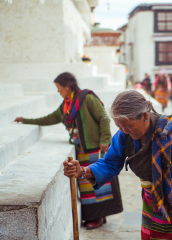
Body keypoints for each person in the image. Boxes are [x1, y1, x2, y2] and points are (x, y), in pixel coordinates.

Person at [64, 90, 172, 240]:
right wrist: (83, 171)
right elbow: (110, 163)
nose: (124, 130)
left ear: (145, 116)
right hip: (156, 201)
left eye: (128, 125)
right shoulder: (122, 136)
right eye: (119, 126)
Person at [14, 72, 123, 230]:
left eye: (59, 88)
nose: (58, 91)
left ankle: (99, 216)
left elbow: (104, 118)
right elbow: (50, 118)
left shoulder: (86, 98)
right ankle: (94, 215)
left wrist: (105, 140)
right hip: (81, 148)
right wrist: (25, 120)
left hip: (94, 147)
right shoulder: (67, 104)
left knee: (98, 181)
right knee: (86, 184)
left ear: (67, 86)